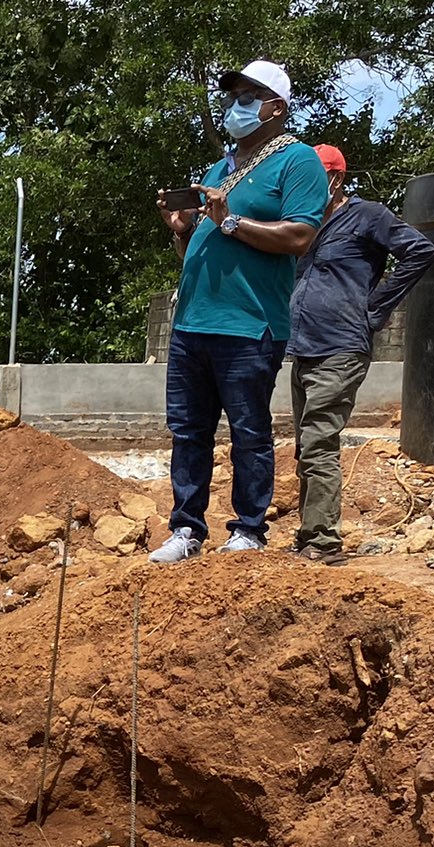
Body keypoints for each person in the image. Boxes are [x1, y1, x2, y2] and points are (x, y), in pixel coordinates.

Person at [149, 61, 328, 564]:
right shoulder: (220, 168)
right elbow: (198, 254)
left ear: (276, 107)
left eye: (250, 95)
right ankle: (187, 528)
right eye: (234, 95)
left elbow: (299, 236)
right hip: (191, 326)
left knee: (249, 432)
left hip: (250, 327)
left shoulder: (298, 162)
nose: (237, 105)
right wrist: (183, 229)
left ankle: (248, 528)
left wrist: (229, 221)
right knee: (188, 432)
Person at [286, 143, 434, 563]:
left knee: (318, 441)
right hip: (305, 349)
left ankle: (323, 541)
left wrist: (375, 307)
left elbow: (420, 251)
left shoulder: (367, 215)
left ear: (334, 179)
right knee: (305, 444)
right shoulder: (304, 224)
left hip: (341, 347)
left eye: (311, 178)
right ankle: (309, 533)